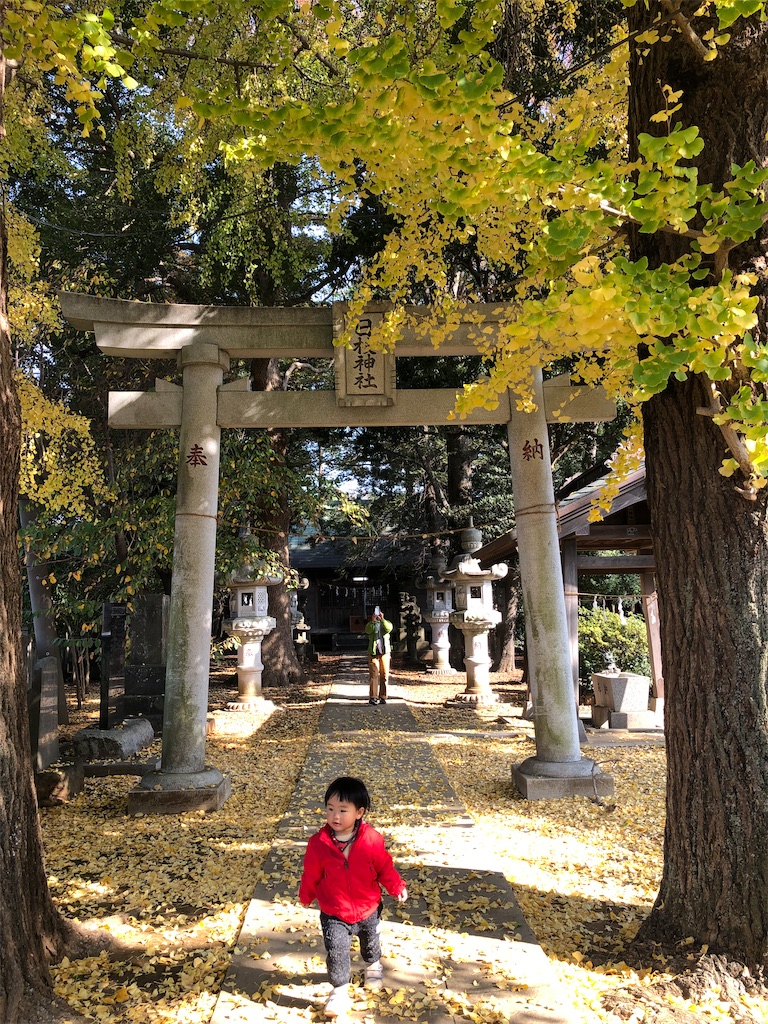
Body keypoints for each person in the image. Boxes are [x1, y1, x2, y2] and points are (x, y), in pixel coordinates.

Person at [298, 776, 408, 1018]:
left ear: (359, 812)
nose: (335, 816)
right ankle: (339, 990)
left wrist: (396, 885)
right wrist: (306, 895)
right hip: (334, 910)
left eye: (342, 810)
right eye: (330, 809)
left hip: (368, 907)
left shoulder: (372, 840)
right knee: (336, 950)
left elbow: (384, 867)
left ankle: (373, 965)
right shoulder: (318, 844)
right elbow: (311, 874)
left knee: (370, 942)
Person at [364, 607, 393, 705]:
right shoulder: (371, 624)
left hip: (385, 651)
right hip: (373, 652)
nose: (377, 616)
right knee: (374, 675)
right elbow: (368, 630)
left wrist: (383, 619)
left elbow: (388, 629)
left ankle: (383, 696)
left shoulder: (386, 623)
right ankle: (373, 696)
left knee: (384, 675)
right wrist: (372, 621)